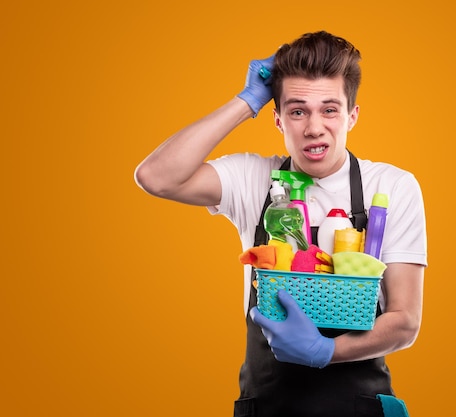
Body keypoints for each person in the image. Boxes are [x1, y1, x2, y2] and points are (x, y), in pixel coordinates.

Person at [135, 30, 427, 417]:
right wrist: (246, 101)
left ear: (352, 116)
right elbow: (156, 176)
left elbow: (405, 322)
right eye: (297, 110)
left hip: (359, 408)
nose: (314, 128)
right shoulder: (253, 178)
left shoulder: (390, 186)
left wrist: (326, 353)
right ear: (277, 119)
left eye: (329, 109)